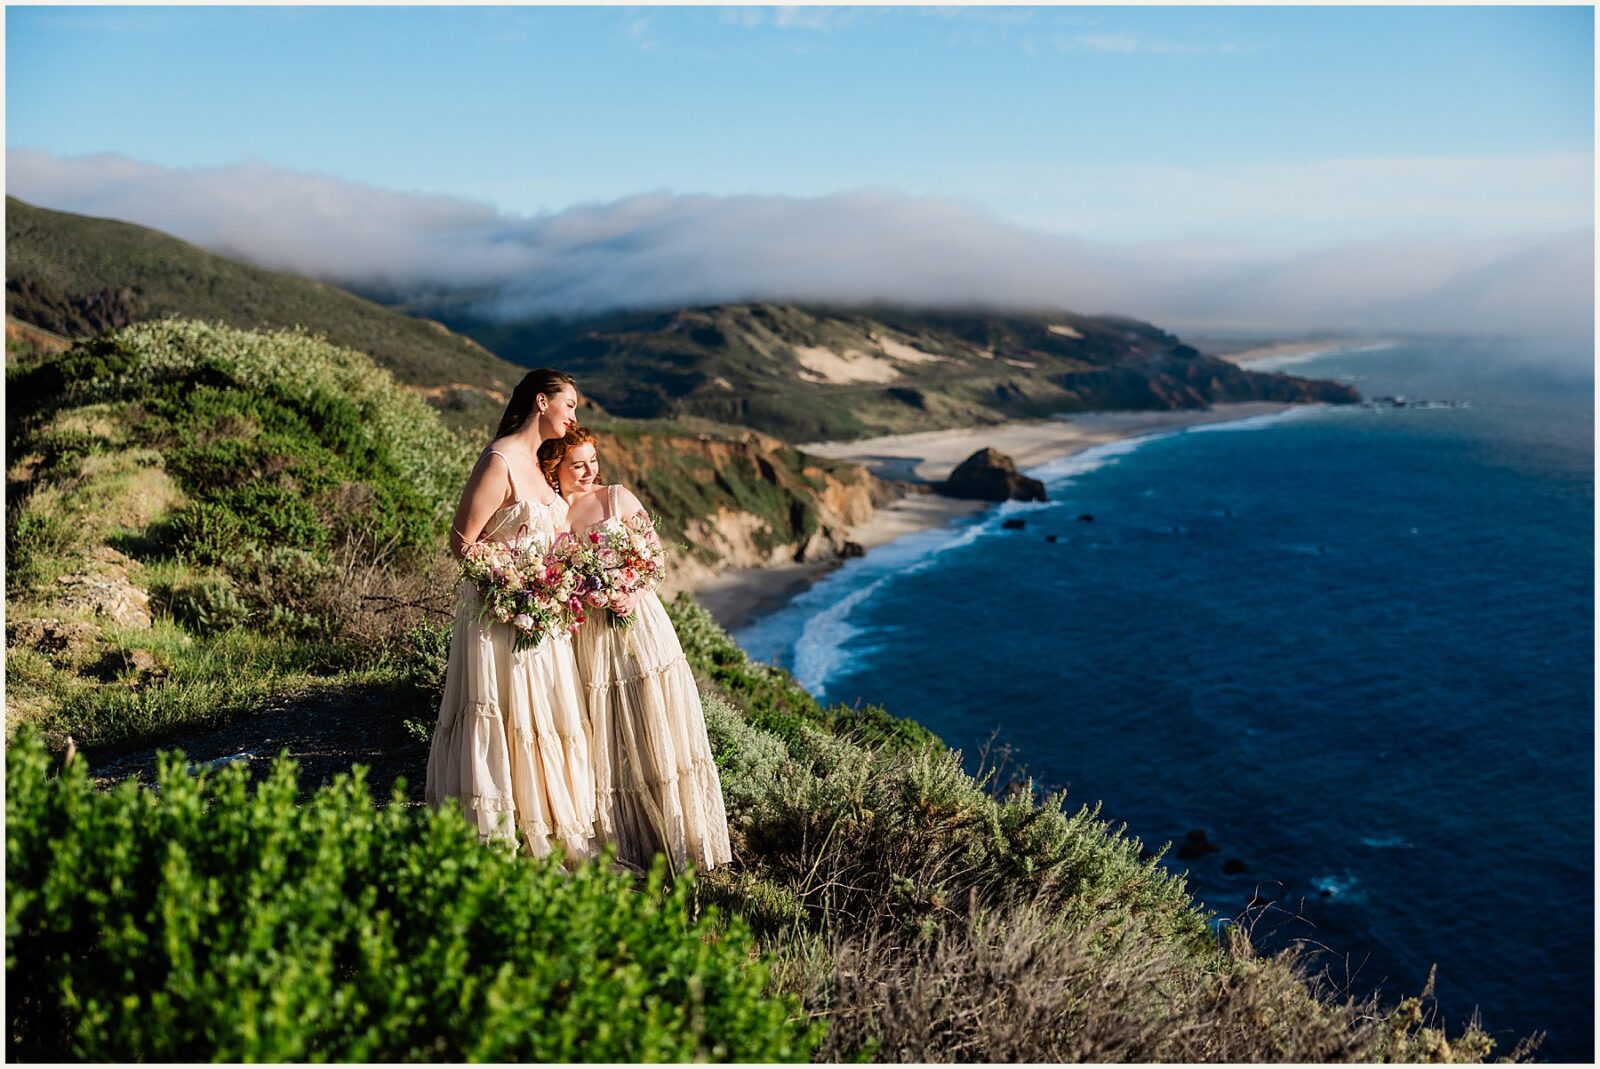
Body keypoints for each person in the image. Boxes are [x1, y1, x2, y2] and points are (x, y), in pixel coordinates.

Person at [540, 427, 733, 876]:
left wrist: (630, 593)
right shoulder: (554, 513)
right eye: (577, 464)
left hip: (641, 623)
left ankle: (684, 839)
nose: (588, 471)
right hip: (591, 636)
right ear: (555, 468)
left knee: (654, 715)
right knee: (608, 731)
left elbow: (655, 560)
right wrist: (585, 592)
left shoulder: (617, 498)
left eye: (592, 461)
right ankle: (630, 840)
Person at [425, 370, 598, 864]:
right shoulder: (499, 460)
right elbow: (463, 543)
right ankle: (502, 832)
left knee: (546, 717)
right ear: (542, 402)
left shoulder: (543, 465)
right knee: (506, 717)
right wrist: (515, 589)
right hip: (501, 617)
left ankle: (548, 824)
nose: (574, 416)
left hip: (544, 618)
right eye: (569, 404)